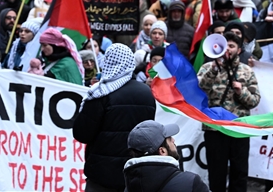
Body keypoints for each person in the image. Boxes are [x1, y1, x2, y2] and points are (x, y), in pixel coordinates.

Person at [73, 44, 156, 192]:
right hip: (136, 172)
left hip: (102, 175)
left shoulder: (100, 93)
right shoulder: (146, 92)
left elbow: (82, 133)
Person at [197, 32, 260, 192]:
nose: (227, 50)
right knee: (216, 172)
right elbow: (198, 92)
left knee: (239, 171)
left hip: (239, 128)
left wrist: (242, 92)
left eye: (231, 46)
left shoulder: (247, 71)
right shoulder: (207, 68)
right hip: (215, 129)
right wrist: (213, 70)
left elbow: (254, 101)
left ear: (239, 50)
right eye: (225, 45)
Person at [124, 120, 209, 192]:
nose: (173, 140)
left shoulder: (129, 187)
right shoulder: (190, 183)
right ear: (162, 151)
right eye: (169, 138)